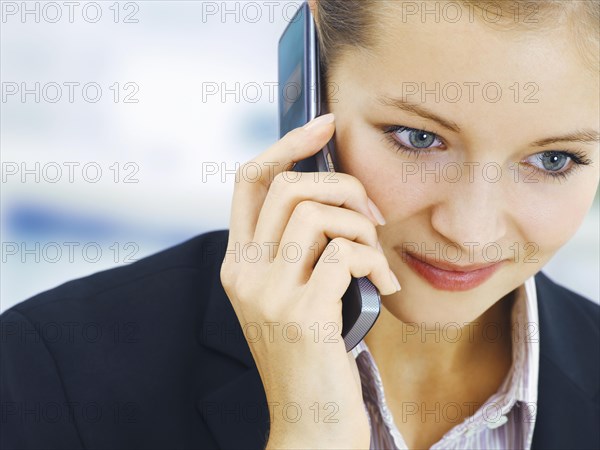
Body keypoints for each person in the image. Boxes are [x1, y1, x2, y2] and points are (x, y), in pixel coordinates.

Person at [1, 0, 598, 449]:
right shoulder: (44, 371)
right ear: (308, 93)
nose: (470, 230)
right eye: (418, 139)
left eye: (553, 160)